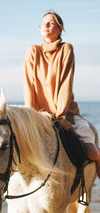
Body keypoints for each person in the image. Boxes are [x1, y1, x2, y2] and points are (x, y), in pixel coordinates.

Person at [23, 11, 100, 178]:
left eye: (51, 23)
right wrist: (31, 116)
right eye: (43, 23)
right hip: (40, 115)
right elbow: (29, 86)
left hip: (66, 113)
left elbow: (66, 84)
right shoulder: (32, 52)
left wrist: (61, 116)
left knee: (92, 153)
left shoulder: (66, 49)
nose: (46, 25)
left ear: (59, 29)